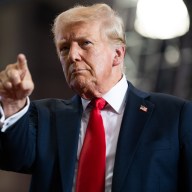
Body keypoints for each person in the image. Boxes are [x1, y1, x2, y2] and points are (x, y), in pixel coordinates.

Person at [0, 3, 192, 192]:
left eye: (85, 43)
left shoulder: (175, 115)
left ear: (117, 54)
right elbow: (13, 158)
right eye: (64, 48)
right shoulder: (45, 117)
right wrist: (12, 104)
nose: (73, 55)